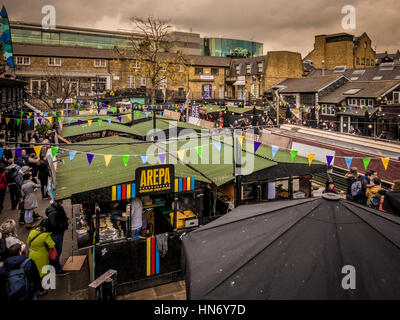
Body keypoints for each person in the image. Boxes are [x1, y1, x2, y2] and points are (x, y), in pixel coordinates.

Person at [27, 219, 55, 296]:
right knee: (40, 275)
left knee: (35, 274)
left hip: (32, 255)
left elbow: (28, 242)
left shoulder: (32, 232)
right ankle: (40, 290)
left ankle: (37, 289)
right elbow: (52, 245)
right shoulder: (45, 235)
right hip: (41, 257)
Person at [45, 200, 69, 275]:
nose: (62, 202)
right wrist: (66, 223)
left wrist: (66, 219)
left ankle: (55, 266)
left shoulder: (57, 208)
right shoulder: (53, 212)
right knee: (56, 252)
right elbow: (55, 226)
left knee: (56, 252)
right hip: (56, 235)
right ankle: (57, 270)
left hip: (58, 234)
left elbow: (61, 217)